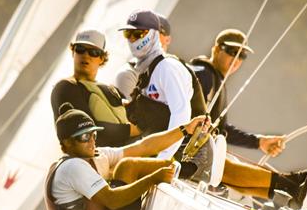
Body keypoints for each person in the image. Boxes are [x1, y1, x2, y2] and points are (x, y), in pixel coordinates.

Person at [43, 103, 208, 210]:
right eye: (84, 137)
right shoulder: (72, 167)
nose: (92, 141)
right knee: (126, 167)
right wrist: (153, 179)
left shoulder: (96, 156)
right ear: (66, 143)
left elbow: (142, 147)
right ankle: (191, 169)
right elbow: (113, 201)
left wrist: (185, 129)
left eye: (93, 134)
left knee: (126, 165)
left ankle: (188, 168)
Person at [121, 9, 206, 159]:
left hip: (179, 155)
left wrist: (162, 159)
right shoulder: (147, 70)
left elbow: (181, 115)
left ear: (154, 34)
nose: (133, 40)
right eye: (128, 35)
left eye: (139, 34)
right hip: (151, 150)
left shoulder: (167, 68)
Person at [189, 28, 286, 157]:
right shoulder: (203, 74)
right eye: (232, 52)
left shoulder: (216, 81)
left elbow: (220, 129)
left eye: (242, 55)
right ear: (217, 49)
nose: (237, 59)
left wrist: (259, 142)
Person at [50, 29, 141, 147]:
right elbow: (88, 130)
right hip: (94, 162)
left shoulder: (110, 89)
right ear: (73, 52)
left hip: (124, 156)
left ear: (102, 58)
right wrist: (133, 130)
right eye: (80, 49)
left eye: (93, 52)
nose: (86, 56)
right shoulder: (65, 87)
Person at [114, 12, 172, 100]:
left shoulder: (175, 67)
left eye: (139, 33)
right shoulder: (129, 73)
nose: (133, 38)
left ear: (168, 39)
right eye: (128, 33)